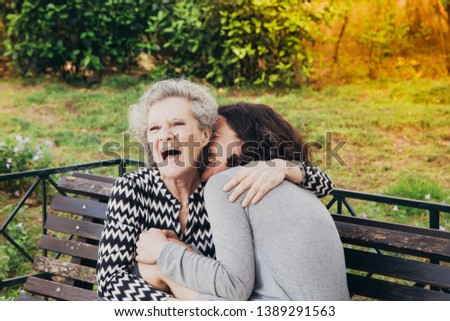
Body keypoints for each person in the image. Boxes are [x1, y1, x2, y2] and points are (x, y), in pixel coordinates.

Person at [96, 79, 335, 300]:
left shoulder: (223, 188)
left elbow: (226, 280)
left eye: (177, 124)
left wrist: (287, 167)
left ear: (204, 134)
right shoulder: (132, 189)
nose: (165, 135)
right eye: (154, 128)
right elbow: (110, 281)